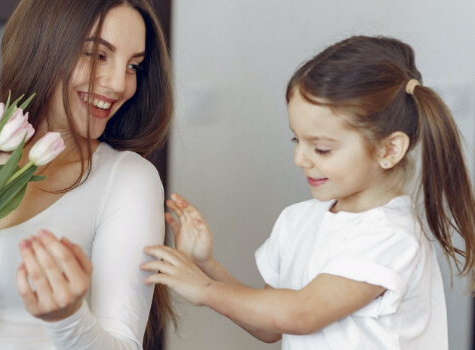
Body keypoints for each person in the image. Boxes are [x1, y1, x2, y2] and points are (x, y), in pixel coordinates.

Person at [142, 35, 475, 349]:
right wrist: (207, 265)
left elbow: (301, 314)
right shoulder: (298, 221)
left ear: (389, 150)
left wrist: (204, 290)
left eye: (323, 149)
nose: (300, 158)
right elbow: (270, 325)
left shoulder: (391, 236)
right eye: (296, 140)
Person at [0, 0, 175, 348]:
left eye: (133, 65)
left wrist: (68, 318)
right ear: (44, 44)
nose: (119, 84)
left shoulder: (128, 180)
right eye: (98, 55)